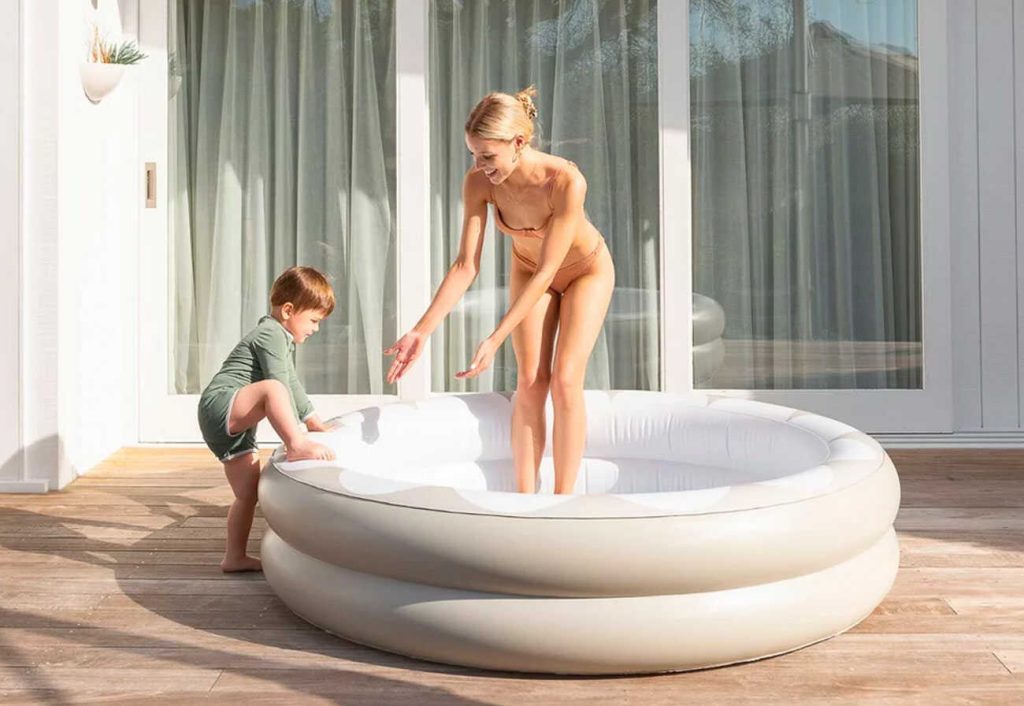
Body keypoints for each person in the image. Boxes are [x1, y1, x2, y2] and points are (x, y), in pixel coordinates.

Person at [385, 87, 615, 494]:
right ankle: (525, 500)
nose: (480, 165)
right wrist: (422, 330)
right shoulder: (479, 182)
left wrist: (495, 338)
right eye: (474, 154)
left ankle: (563, 502)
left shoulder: (565, 181)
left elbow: (551, 270)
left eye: (488, 156)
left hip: (585, 272)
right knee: (530, 380)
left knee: (564, 379)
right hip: (529, 270)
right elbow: (465, 265)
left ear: (519, 143)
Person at [198, 266, 336, 572]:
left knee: (247, 494)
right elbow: (279, 384)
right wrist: (298, 438)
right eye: (313, 320)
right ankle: (296, 444)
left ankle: (233, 557)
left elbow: (291, 382)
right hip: (222, 403)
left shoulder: (279, 337)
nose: (315, 329)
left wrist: (313, 420)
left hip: (232, 424)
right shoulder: (271, 333)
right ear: (288, 311)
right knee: (274, 388)